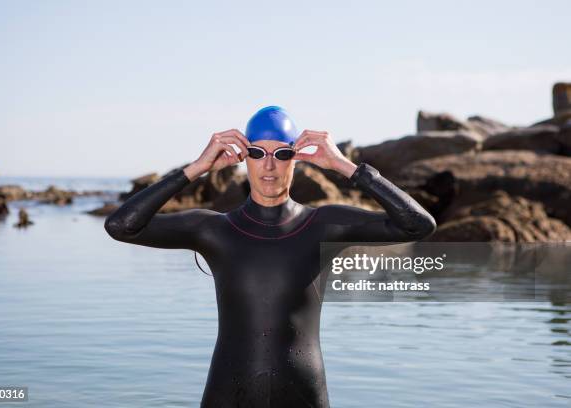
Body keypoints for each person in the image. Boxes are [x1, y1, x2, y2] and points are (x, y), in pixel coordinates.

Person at [104, 106, 437, 407]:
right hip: (227, 396)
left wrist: (344, 166)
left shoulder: (323, 225)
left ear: (296, 158)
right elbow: (122, 226)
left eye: (281, 153)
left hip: (303, 396)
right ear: (243, 157)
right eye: (256, 152)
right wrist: (195, 169)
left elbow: (417, 226)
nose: (268, 165)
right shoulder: (213, 229)